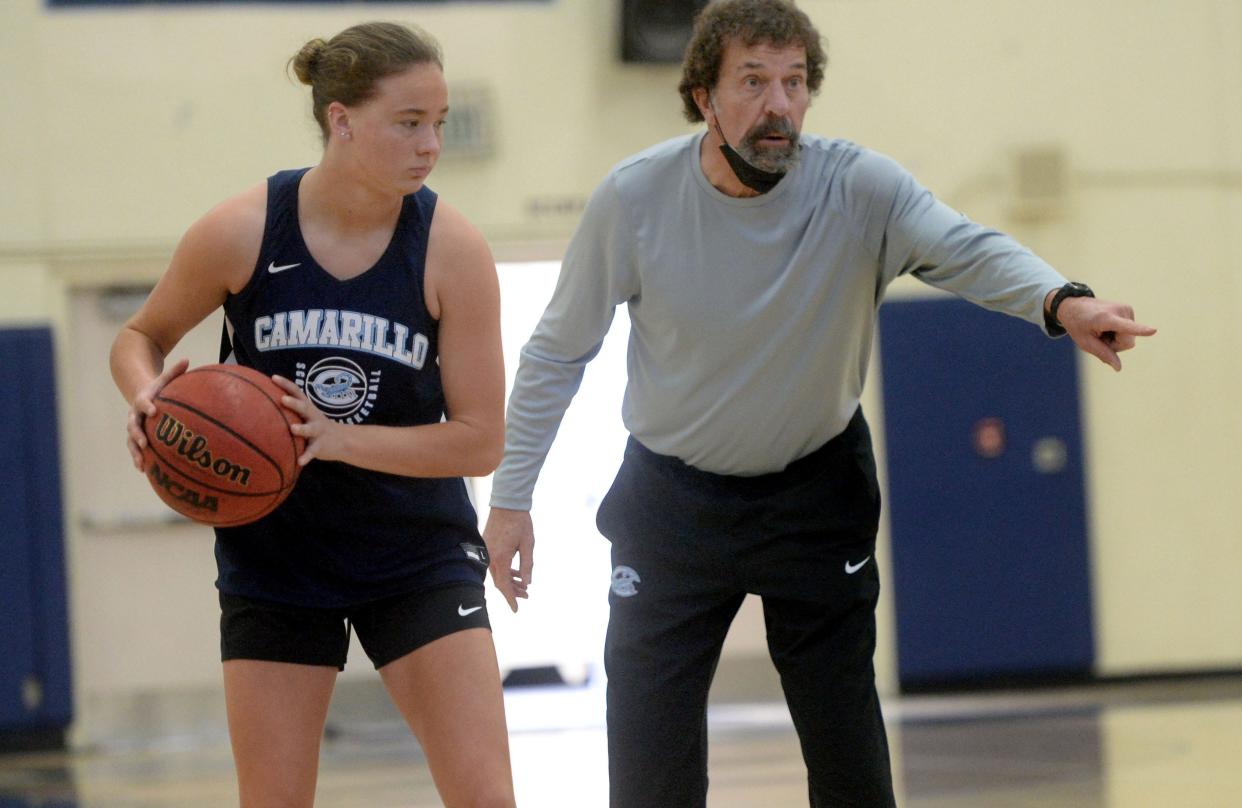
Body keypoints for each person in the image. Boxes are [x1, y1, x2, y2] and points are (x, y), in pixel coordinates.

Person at [482, 1, 1156, 805]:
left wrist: (1062, 301)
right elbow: (556, 353)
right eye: (755, 81)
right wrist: (511, 499)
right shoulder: (634, 200)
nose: (779, 104)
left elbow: (965, 247)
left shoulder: (858, 187)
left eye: (795, 82)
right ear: (704, 96)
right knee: (648, 754)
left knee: (847, 750)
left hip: (814, 491)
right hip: (673, 505)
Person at [110, 22, 515, 808]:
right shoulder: (244, 229)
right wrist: (146, 395)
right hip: (277, 556)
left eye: (438, 120)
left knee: (486, 798)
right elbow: (140, 337)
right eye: (409, 122)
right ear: (341, 119)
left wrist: (339, 440)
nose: (432, 142)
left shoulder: (451, 250)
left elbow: (480, 440)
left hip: (415, 554)